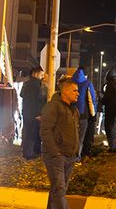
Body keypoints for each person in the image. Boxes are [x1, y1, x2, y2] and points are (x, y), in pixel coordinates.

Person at [40, 78, 80, 209]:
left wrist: (76, 152)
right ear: (66, 91)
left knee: (57, 190)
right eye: (75, 91)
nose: (78, 93)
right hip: (56, 156)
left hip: (70, 156)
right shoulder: (53, 106)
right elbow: (45, 131)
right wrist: (55, 153)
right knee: (60, 190)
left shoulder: (73, 110)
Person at [71, 67, 97, 157]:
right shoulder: (87, 83)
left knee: (71, 135)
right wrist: (93, 114)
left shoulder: (70, 82)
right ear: (86, 75)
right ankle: (77, 157)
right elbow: (91, 100)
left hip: (70, 113)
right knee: (80, 137)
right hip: (82, 114)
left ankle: (69, 155)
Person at [20, 67, 45, 160]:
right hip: (34, 113)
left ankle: (26, 152)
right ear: (36, 73)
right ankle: (29, 154)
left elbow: (22, 95)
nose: (42, 77)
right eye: (41, 75)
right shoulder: (36, 85)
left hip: (26, 111)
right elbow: (37, 101)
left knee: (27, 132)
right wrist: (38, 114)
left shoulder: (26, 83)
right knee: (32, 133)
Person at [101, 69, 116, 153]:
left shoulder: (111, 84)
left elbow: (107, 97)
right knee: (113, 126)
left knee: (109, 127)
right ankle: (114, 145)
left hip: (111, 107)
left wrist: (101, 99)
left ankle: (112, 147)